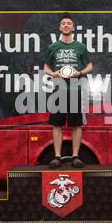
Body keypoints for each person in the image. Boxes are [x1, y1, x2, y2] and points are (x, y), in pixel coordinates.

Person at [44, 13, 93, 169]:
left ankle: (75, 156)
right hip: (58, 89)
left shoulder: (80, 47)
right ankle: (57, 157)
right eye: (63, 23)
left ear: (73, 27)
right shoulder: (52, 47)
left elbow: (90, 66)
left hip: (75, 89)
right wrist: (53, 74)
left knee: (76, 125)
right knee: (56, 124)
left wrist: (79, 73)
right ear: (60, 27)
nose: (66, 25)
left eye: (69, 23)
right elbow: (46, 67)